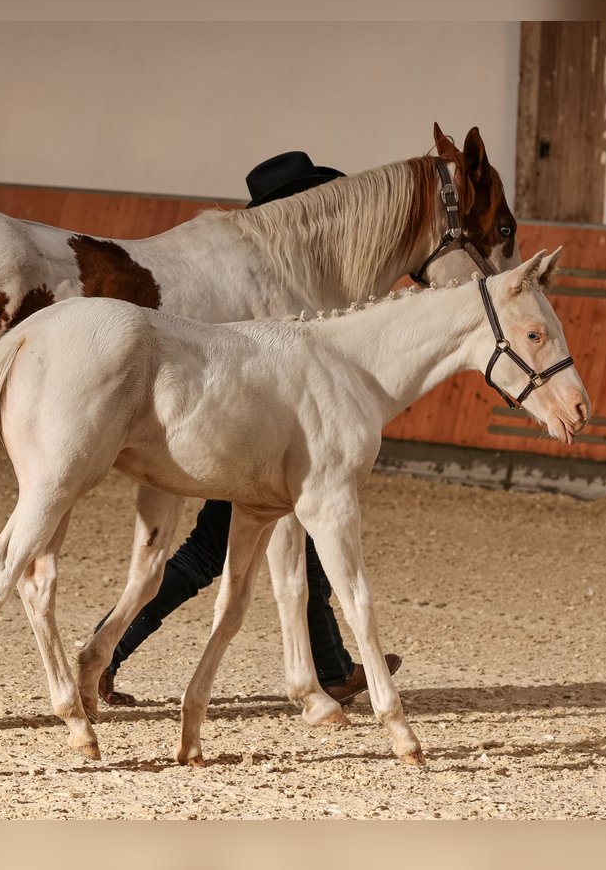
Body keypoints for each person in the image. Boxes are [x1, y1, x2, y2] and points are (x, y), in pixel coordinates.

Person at [94, 151, 402, 708]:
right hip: (240, 438)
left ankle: (330, 667)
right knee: (210, 553)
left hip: (248, 434)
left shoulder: (281, 273)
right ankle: (105, 650)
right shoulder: (269, 278)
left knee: (292, 549)